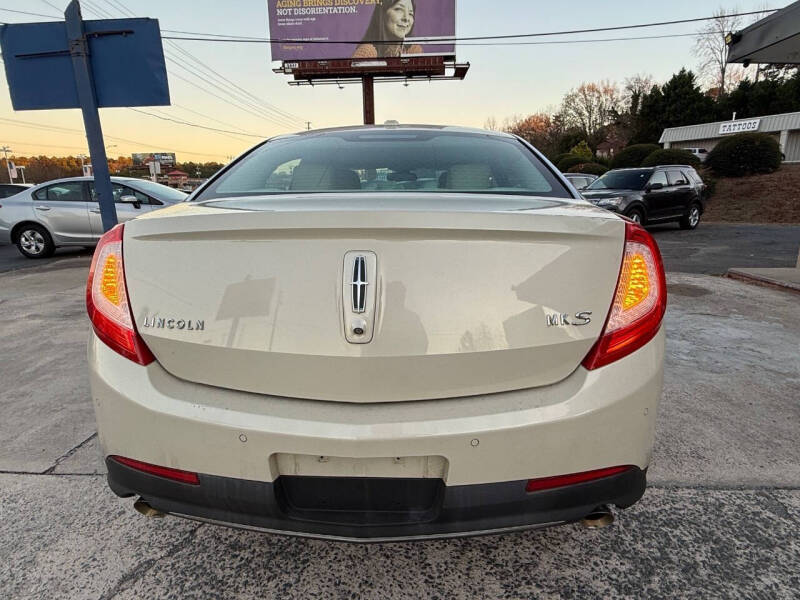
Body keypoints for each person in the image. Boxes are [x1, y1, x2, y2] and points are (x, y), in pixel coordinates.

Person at [352, 0, 423, 58]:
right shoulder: (367, 52)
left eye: (410, 13)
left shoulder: (413, 50)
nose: (406, 18)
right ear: (383, 13)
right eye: (399, 9)